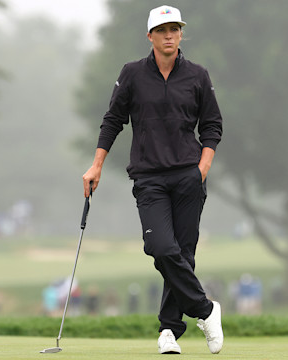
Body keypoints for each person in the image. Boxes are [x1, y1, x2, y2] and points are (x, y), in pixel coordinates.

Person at [82, 5, 223, 355]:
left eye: (175, 29)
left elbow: (212, 126)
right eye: (162, 30)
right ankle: (206, 310)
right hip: (149, 179)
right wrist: (96, 165)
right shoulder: (132, 74)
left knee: (183, 254)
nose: (170, 35)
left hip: (188, 176)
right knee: (161, 247)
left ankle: (168, 331)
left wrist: (201, 168)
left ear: (180, 34)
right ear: (150, 36)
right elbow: (113, 120)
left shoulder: (197, 75)